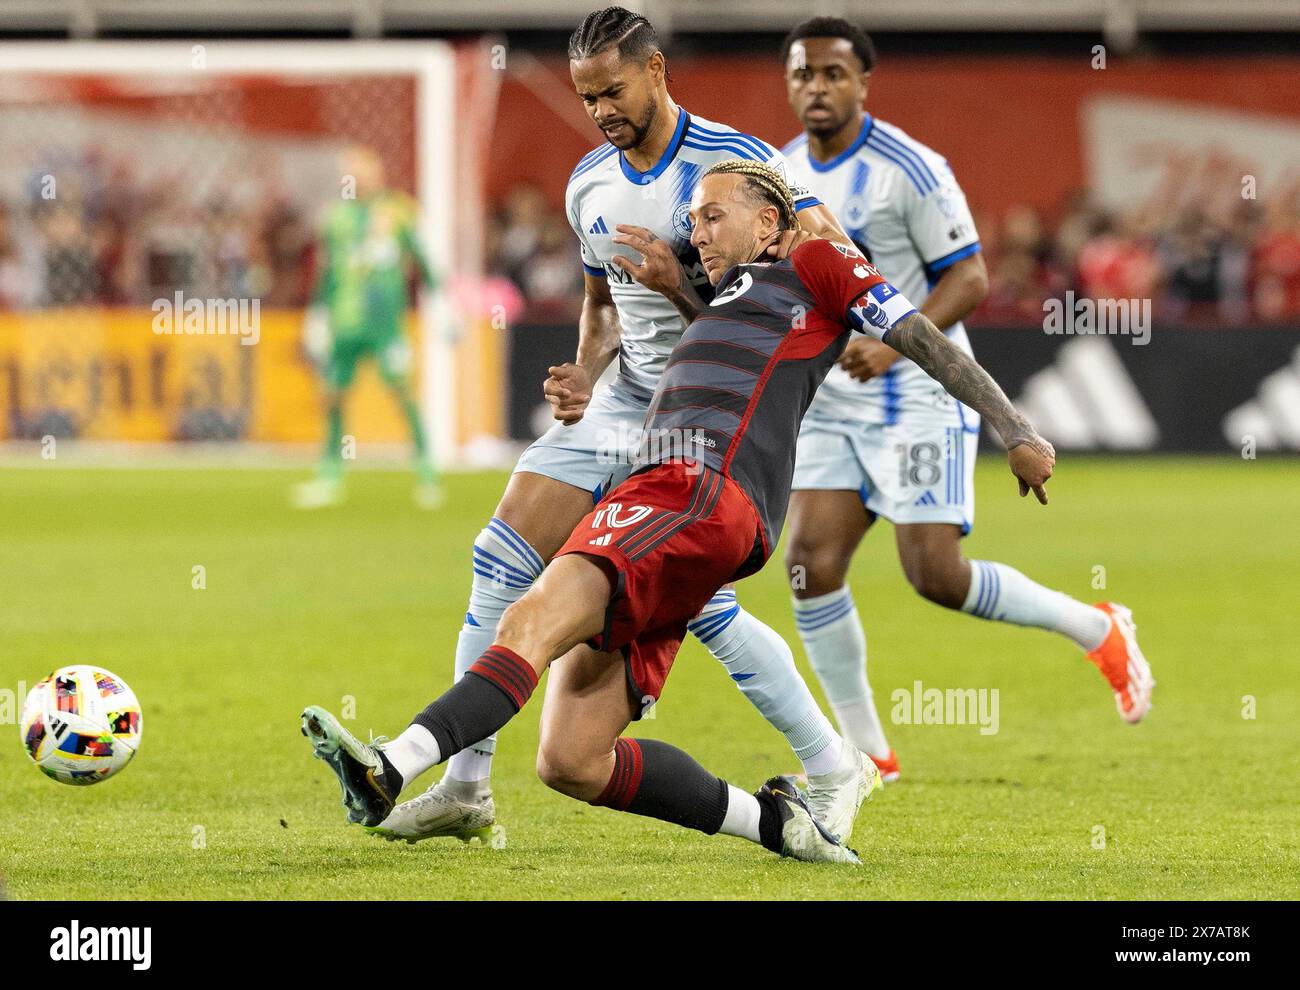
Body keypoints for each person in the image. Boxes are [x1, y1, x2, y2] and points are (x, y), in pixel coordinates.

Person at [300, 159, 1056, 863]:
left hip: (694, 487)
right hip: (683, 499)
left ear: (770, 222)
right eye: (692, 219)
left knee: (531, 619)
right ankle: (776, 823)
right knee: (571, 760)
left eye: (712, 216)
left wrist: (1014, 429)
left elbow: (921, 335)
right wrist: (672, 289)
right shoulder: (731, 294)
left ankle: (391, 768)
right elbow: (740, 346)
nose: (695, 230)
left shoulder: (820, 262)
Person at [389, 5, 872, 848]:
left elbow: (795, 296)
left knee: (704, 607)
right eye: (587, 98)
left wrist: (681, 288)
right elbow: (601, 304)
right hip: (623, 403)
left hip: (705, 415)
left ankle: (832, 762)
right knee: (501, 553)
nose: (602, 110)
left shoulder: (738, 169)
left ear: (655, 72)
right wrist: (585, 368)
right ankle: (466, 789)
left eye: (613, 90)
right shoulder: (589, 184)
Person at [774, 19, 1154, 778]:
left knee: (936, 577)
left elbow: (971, 277)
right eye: (803, 74)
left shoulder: (909, 168)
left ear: (863, 83)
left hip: (917, 388)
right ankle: (868, 753)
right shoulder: (779, 175)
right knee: (809, 565)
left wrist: (888, 343)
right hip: (834, 395)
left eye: (833, 74)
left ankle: (1096, 626)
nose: (817, 87)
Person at [293, 146, 442, 510]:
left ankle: (426, 472)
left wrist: (441, 304)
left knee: (403, 392)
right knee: (332, 395)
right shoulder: (335, 218)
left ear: (378, 174)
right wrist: (316, 316)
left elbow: (423, 261)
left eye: (362, 173)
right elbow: (326, 273)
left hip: (385, 326)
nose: (356, 180)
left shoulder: (399, 211)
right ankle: (330, 474)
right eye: (351, 174)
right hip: (345, 324)